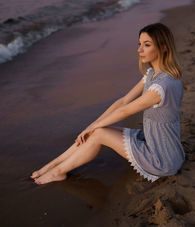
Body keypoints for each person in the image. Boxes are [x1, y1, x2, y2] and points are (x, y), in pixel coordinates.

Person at [31, 23, 185, 184]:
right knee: (96, 130)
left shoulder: (161, 87)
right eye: (139, 44)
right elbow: (123, 101)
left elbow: (125, 111)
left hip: (162, 159)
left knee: (98, 133)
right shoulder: (153, 74)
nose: (139, 50)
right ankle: (53, 164)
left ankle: (58, 172)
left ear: (163, 47)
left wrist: (94, 127)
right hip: (155, 142)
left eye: (147, 45)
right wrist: (94, 124)